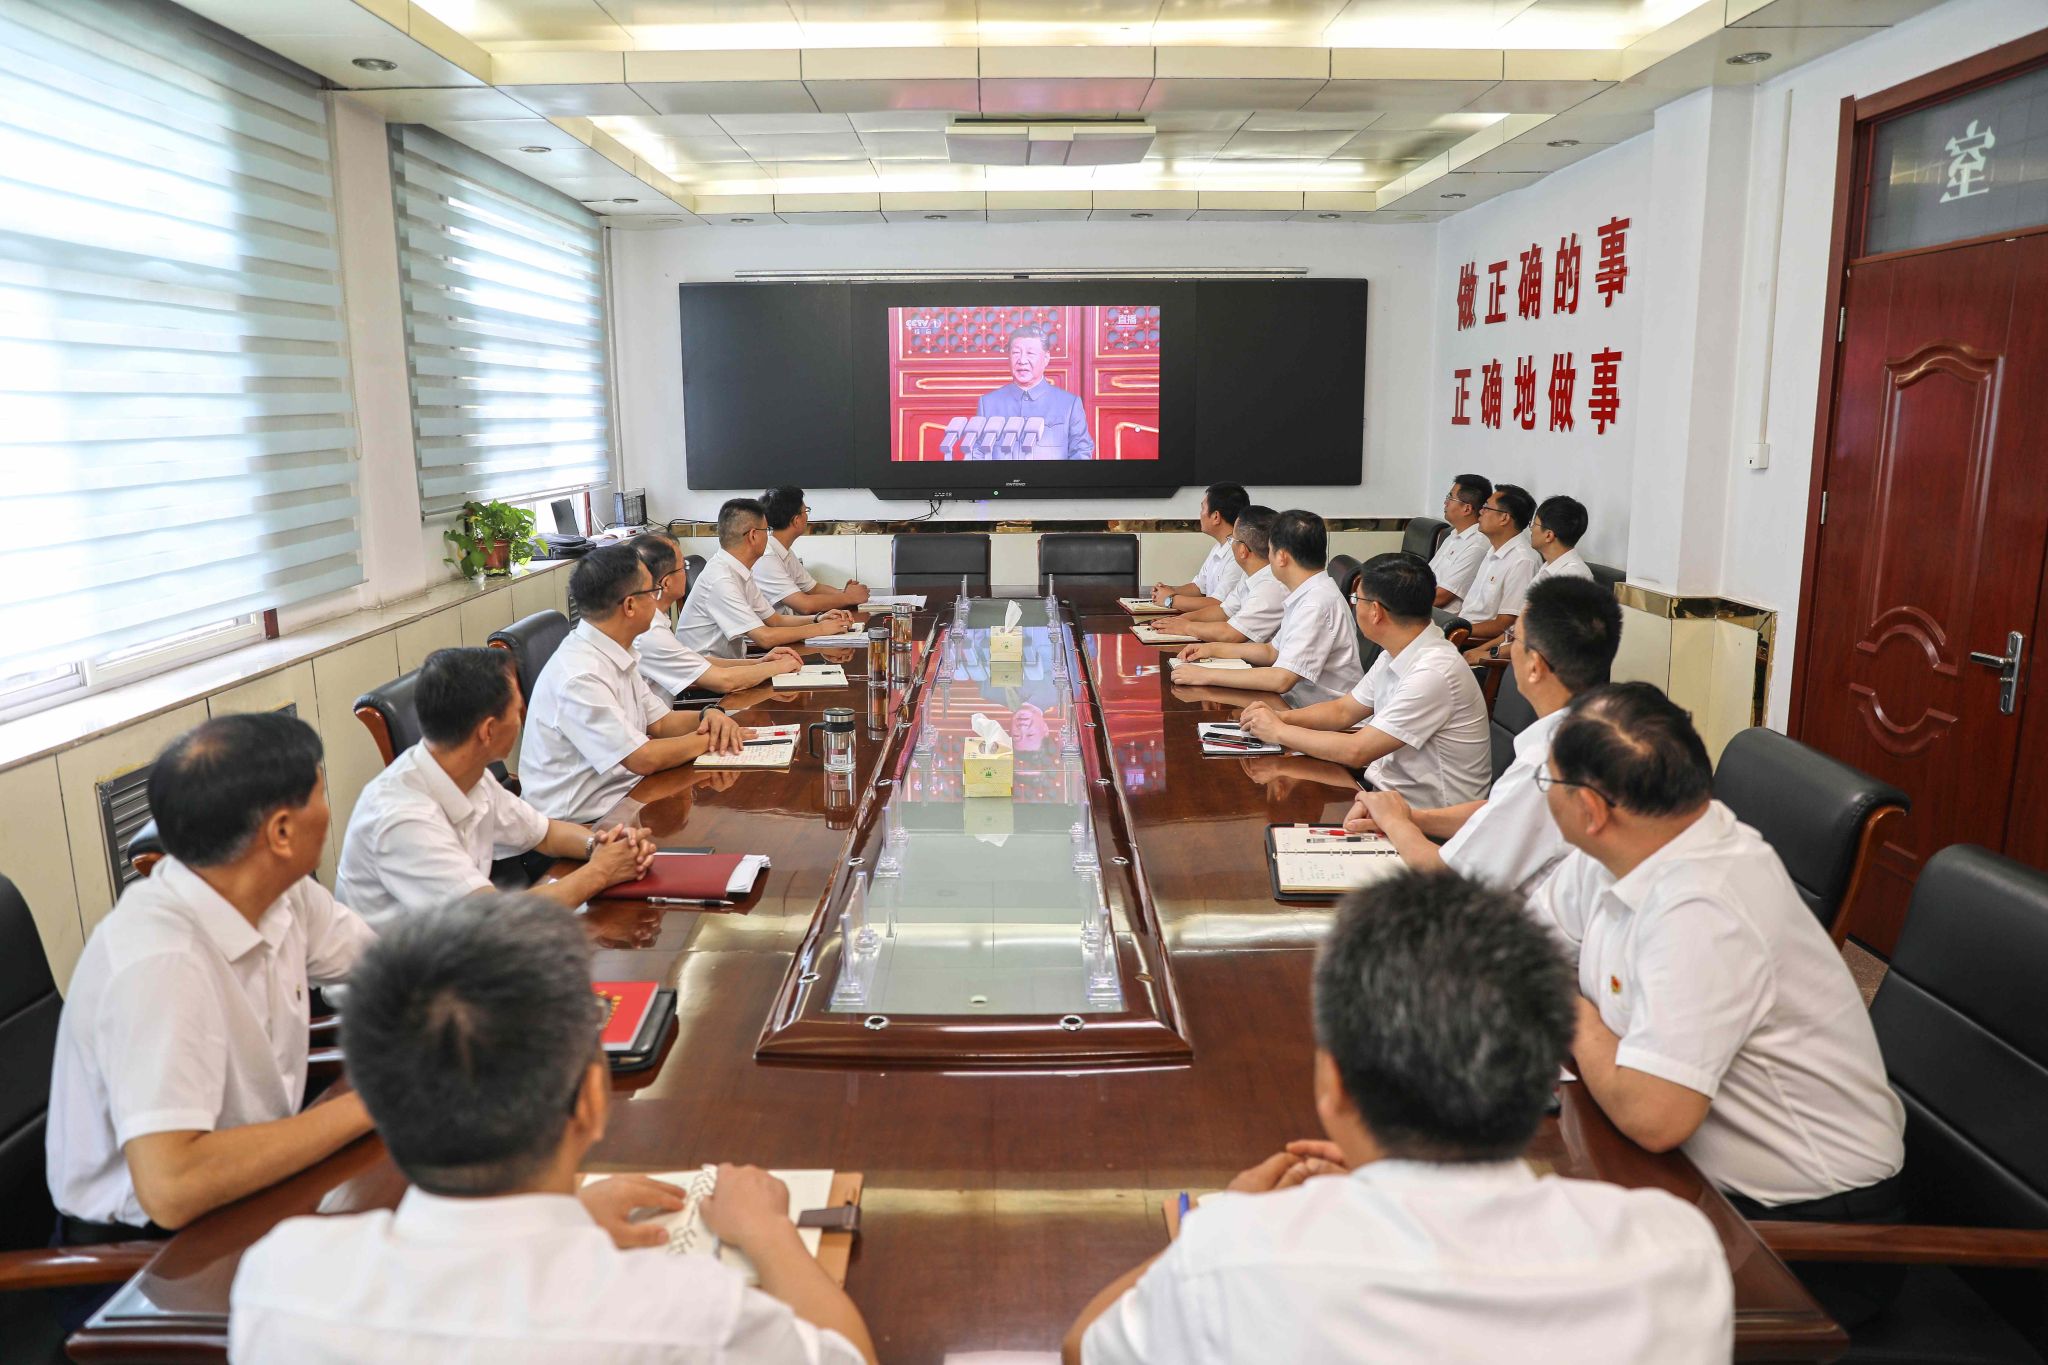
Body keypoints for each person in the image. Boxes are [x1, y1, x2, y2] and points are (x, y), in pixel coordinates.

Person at [1064, 871, 1732, 1365]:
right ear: (1541, 1082)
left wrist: (1213, 1226)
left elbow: (1084, 1347)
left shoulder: (1232, 1257)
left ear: (1334, 1082)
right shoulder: (1676, 1253)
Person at [230, 894, 877, 1364]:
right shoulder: (685, 1316)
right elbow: (847, 1356)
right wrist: (767, 1232)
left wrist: (567, 1221)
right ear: (592, 1098)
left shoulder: (279, 1278)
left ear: (377, 1097)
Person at [1529, 683, 1906, 1319]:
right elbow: (1524, 941)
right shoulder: (1630, 842)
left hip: (1809, 1237)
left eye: (1549, 782)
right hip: (1686, 1180)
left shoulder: (1704, 904)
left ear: (1590, 808)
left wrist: (1570, 1010)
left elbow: (1653, 1116)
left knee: (1522, 1300)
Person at [46, 714, 377, 1305]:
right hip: (144, 1269)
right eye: (321, 792)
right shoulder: (160, 959)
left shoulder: (282, 893)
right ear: (281, 832)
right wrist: (371, 1105)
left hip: (254, 1197)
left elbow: (386, 962)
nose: (330, 810)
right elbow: (173, 1187)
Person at [336, 648, 657, 928]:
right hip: (407, 977)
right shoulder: (403, 817)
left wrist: (599, 845)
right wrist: (601, 871)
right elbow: (495, 921)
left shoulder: (468, 775)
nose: (522, 717)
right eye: (517, 710)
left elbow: (544, 833)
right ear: (488, 731)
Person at [1347, 577, 1621, 895]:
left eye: (1513, 639)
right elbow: (1497, 811)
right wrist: (1408, 816)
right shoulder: (1597, 732)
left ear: (1534, 666)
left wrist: (1396, 823)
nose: (1508, 649)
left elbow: (1449, 876)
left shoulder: (1548, 767)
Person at [1238, 552, 1489, 806]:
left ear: (1376, 611)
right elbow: (1343, 711)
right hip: (1386, 797)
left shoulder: (1433, 671)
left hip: (1428, 817)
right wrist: (1280, 717)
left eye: (1356, 599)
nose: (1354, 605)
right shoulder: (1399, 650)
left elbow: (1357, 751)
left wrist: (1279, 731)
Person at [521, 545, 746, 823]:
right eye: (652, 592)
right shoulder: (580, 674)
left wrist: (708, 715)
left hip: (627, 798)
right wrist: (712, 739)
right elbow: (643, 758)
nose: (657, 599)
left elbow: (661, 723)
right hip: (580, 827)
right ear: (629, 605)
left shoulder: (616, 650)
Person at [1171, 510, 1362, 705]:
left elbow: (1281, 679)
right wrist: (1211, 649)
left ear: (1281, 557)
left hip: (1312, 714)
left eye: (1269, 549)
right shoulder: (1306, 592)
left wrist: (1206, 675)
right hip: (1293, 704)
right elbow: (1271, 651)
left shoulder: (1315, 604)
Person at [633, 532, 806, 698]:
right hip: (697, 698)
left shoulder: (656, 620)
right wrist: (776, 667)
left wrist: (760, 662)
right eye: (683, 567)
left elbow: (699, 661)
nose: (686, 572)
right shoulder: (650, 633)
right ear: (666, 583)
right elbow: (724, 681)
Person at [676, 499, 855, 660]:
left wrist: (818, 619)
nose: (768, 537)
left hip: (734, 668)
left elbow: (775, 620)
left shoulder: (739, 571)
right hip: (707, 678)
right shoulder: (721, 579)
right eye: (766, 530)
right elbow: (764, 637)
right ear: (754, 535)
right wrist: (821, 630)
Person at [1467, 495, 1595, 664]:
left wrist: (1490, 655)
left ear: (1549, 535)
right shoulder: (1547, 568)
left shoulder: (1574, 577)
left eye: (1534, 524)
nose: (1531, 530)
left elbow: (1542, 642)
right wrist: (1479, 650)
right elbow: (1516, 630)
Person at [1152, 506, 1287, 645]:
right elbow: (1224, 611)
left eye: (1232, 539)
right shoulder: (1250, 575)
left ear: (1242, 550)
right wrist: (1181, 620)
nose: (1230, 544)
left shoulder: (1271, 586)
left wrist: (1187, 627)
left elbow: (1231, 634)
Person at [974, 324, 1093, 461]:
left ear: (1046, 358)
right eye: (1016, 353)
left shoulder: (1069, 404)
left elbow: (1081, 452)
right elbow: (977, 453)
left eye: (1030, 353)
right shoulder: (988, 403)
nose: (1022, 360)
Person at [755, 487, 869, 614]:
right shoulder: (767, 557)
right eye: (805, 511)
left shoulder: (784, 551)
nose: (807, 516)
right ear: (796, 520)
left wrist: (844, 594)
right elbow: (804, 605)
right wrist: (848, 598)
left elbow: (814, 588)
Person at [1458, 483, 1542, 647]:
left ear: (1504, 518)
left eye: (1486, 508)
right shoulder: (1493, 550)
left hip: (1475, 642)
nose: (1480, 512)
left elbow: (1505, 624)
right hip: (1462, 630)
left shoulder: (1523, 560)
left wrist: (1453, 630)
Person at [1148, 483, 1250, 613]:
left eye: (1202, 508)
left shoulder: (1238, 553)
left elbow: (1219, 604)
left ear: (1216, 516)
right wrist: (1169, 591)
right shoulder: (1219, 547)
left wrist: (1170, 600)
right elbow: (1199, 587)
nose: (1200, 514)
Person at [1429, 475, 1491, 612]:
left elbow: (1441, 597)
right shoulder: (1454, 535)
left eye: (1450, 498)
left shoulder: (1477, 545)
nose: (1445, 503)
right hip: (1423, 607)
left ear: (1467, 509)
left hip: (1440, 616)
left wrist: (1403, 605)